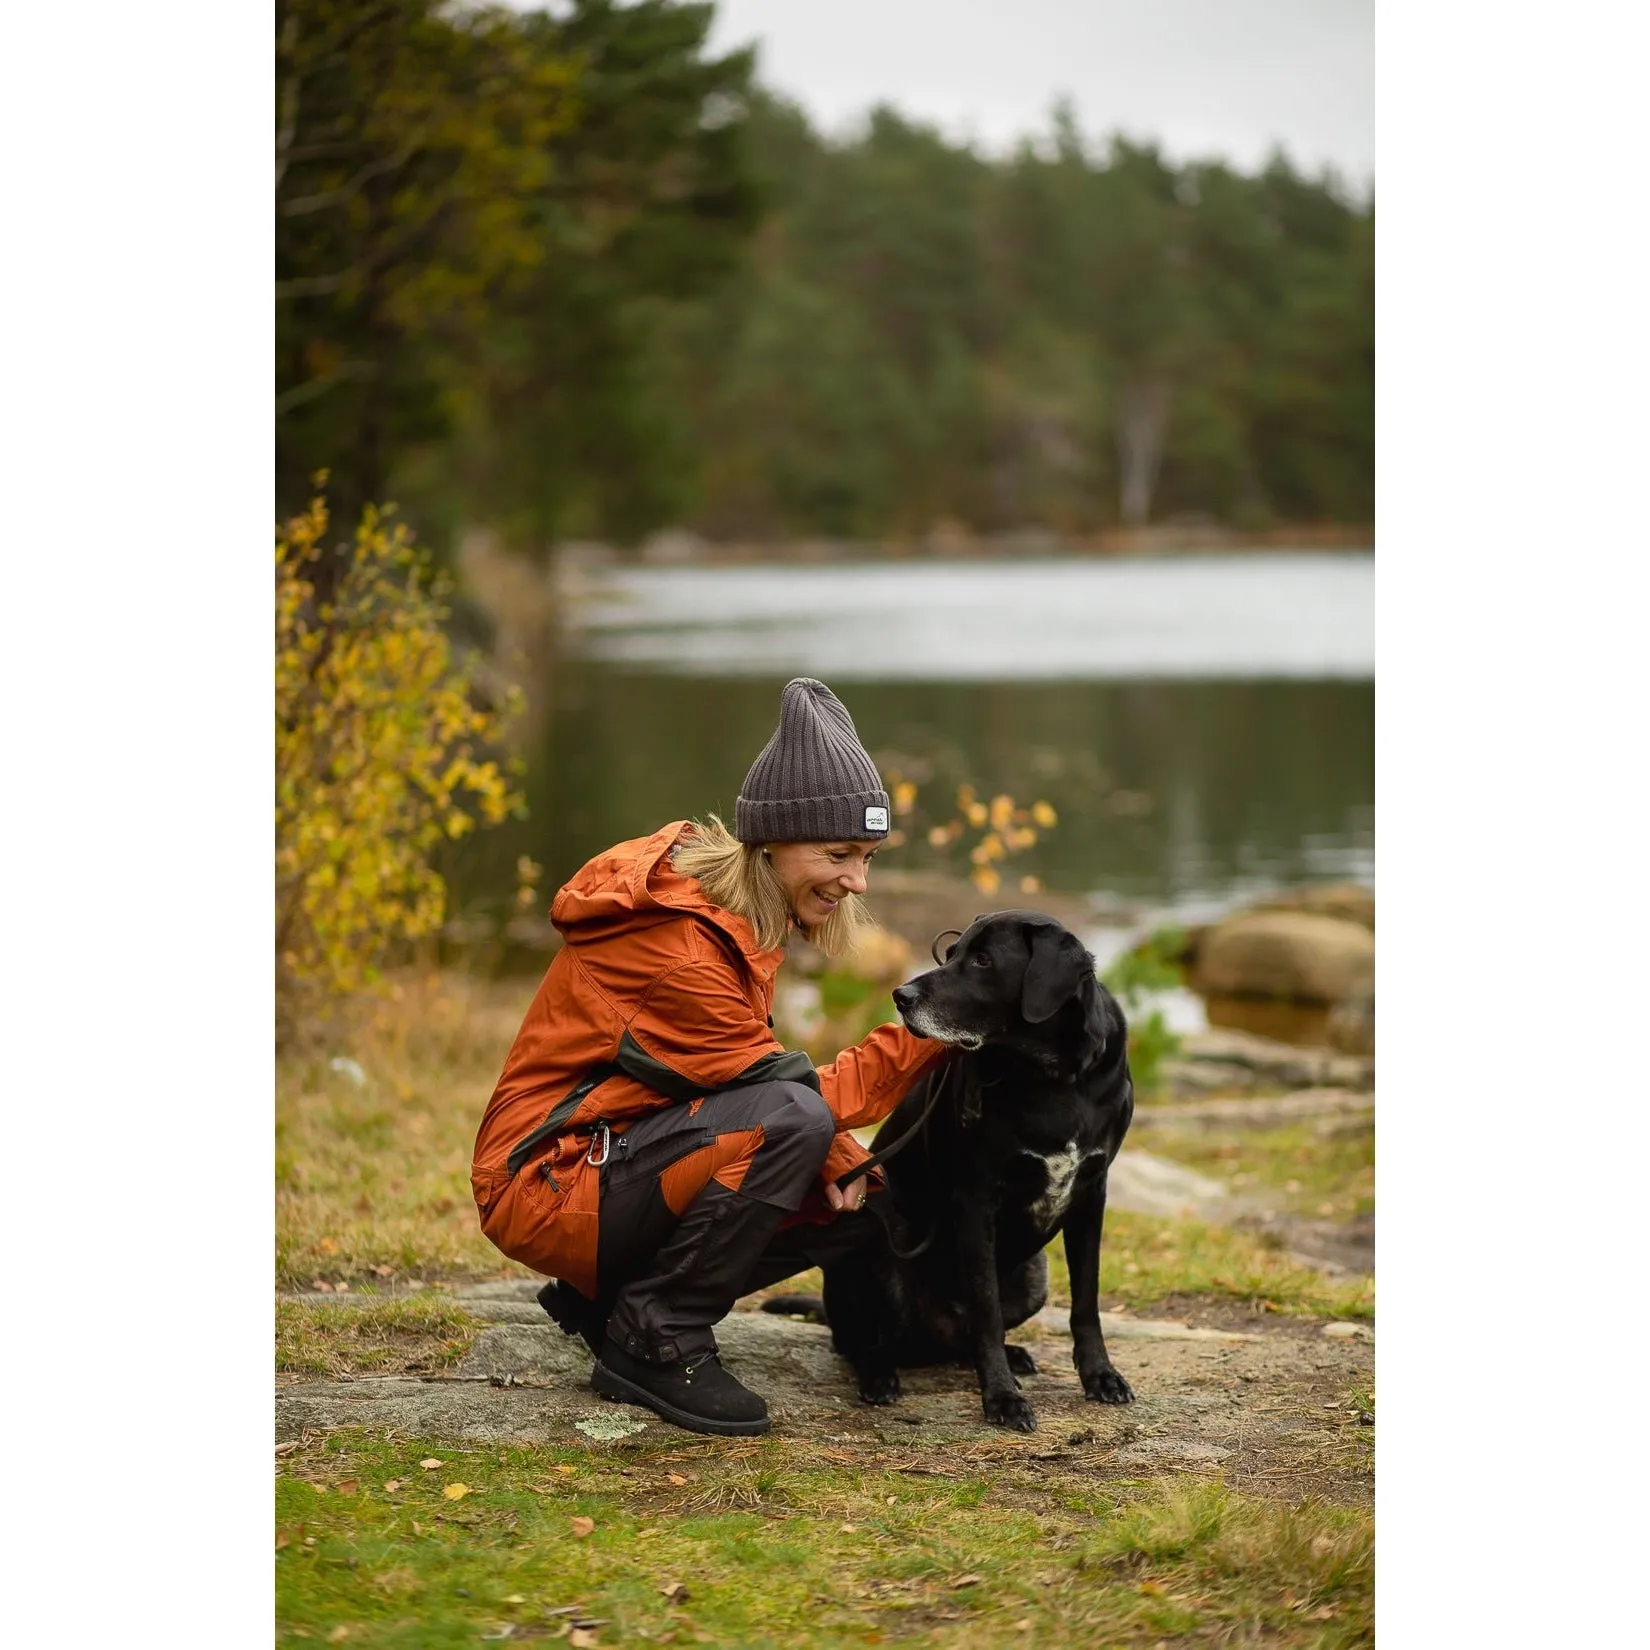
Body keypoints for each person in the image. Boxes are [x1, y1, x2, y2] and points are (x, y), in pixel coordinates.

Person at [470, 678, 948, 1436]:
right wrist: (934, 1026)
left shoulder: (736, 918)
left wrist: (844, 1164)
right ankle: (654, 1337)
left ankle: (612, 1301)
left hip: (615, 1160)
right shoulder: (681, 951)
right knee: (795, 1122)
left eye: (868, 856)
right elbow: (788, 1095)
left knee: (863, 1202)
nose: (858, 880)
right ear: (771, 843)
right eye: (840, 853)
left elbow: (742, 1082)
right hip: (548, 1180)